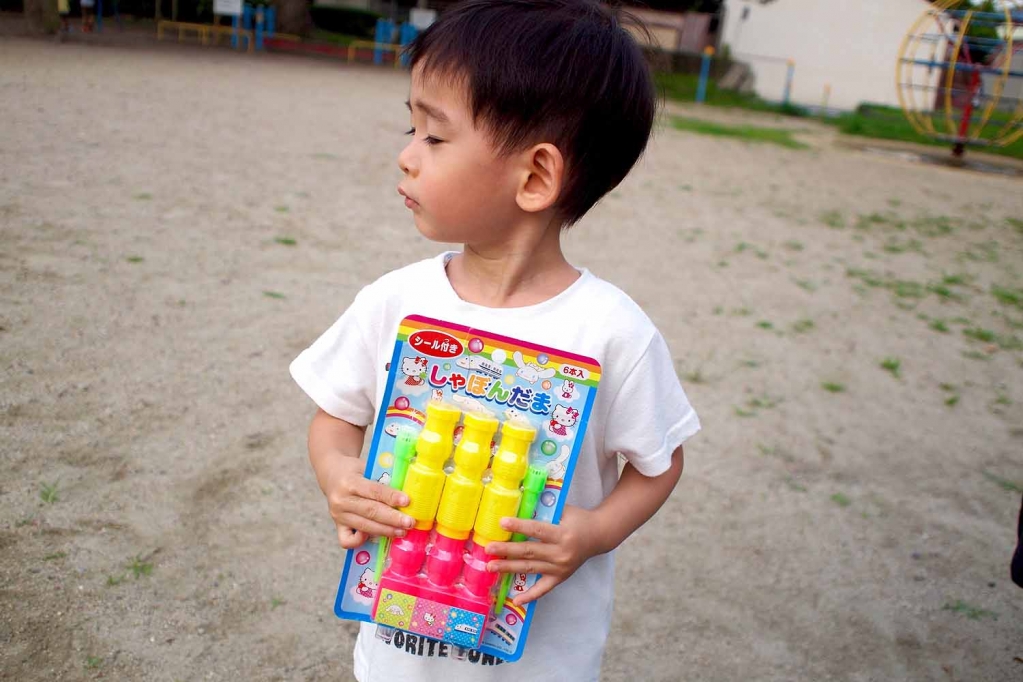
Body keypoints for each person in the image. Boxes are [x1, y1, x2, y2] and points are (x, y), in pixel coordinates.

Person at [289, 2, 701, 680]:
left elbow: (659, 464)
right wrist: (340, 479)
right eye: (409, 126)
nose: (405, 154)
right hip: (398, 648)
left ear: (535, 177)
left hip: (540, 663)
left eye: (435, 137)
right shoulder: (396, 302)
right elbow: (335, 420)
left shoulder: (612, 331)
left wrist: (591, 534)